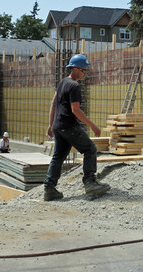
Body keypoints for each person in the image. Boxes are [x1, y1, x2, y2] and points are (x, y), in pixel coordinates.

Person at [43, 54, 110, 201]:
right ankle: (90, 184)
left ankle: (49, 189)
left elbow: (53, 104)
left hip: (58, 126)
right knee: (90, 149)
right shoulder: (74, 86)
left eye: (86, 70)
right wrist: (93, 126)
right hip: (69, 125)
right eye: (83, 70)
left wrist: (51, 125)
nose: (85, 73)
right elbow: (76, 110)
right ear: (74, 69)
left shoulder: (62, 82)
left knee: (58, 156)